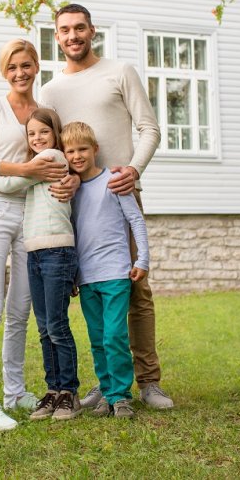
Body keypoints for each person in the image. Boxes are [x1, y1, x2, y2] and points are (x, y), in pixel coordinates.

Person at [39, 3, 174, 410]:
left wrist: (133, 169)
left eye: (79, 28)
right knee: (92, 292)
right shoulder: (50, 90)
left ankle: (148, 382)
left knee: (135, 288)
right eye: (64, 30)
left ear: (92, 31)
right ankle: (105, 382)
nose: (72, 36)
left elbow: (149, 128)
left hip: (119, 195)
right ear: (56, 36)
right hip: (75, 205)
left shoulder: (120, 72)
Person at [0, 39, 69, 431]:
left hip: (32, 214)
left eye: (26, 65)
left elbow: (59, 161)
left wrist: (65, 180)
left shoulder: (46, 113)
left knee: (20, 310)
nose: (20, 73)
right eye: (12, 67)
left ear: (36, 66)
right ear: (3, 71)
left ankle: (14, 392)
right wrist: (27, 171)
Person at [0, 108, 81, 421]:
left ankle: (69, 393)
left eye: (43, 132)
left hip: (57, 250)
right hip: (35, 250)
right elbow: (18, 183)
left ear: (55, 135)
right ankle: (53, 390)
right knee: (45, 325)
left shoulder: (52, 158)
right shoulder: (37, 163)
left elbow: (10, 185)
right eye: (31, 134)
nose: (37, 138)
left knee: (57, 326)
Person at [63, 121, 149, 418]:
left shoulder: (114, 181)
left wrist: (143, 261)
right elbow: (73, 232)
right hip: (87, 278)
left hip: (115, 273)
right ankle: (107, 390)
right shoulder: (71, 192)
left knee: (114, 335)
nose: (77, 156)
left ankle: (121, 395)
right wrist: (73, 275)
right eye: (70, 151)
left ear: (95, 149)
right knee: (98, 338)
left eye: (82, 149)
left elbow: (136, 221)